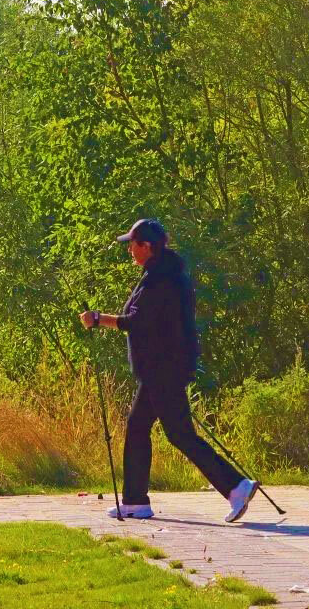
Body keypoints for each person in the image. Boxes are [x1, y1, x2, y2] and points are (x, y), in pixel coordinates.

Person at [79, 218, 257, 522]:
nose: (129, 251)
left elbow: (136, 322)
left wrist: (98, 319)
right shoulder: (164, 273)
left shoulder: (160, 279)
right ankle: (136, 501)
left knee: (179, 434)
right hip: (162, 369)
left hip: (164, 370)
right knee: (141, 428)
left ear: (146, 246)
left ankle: (236, 486)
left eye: (132, 245)